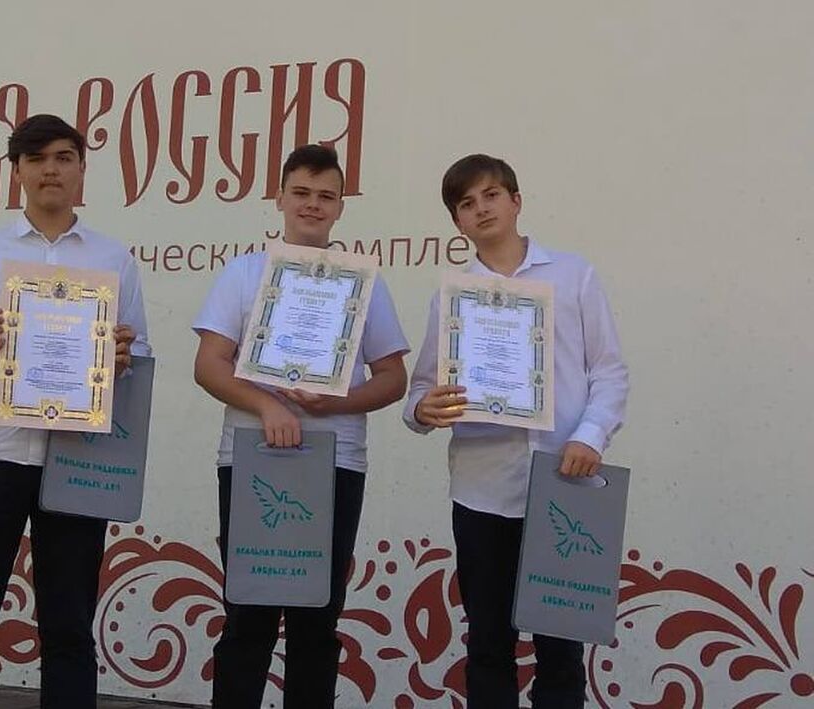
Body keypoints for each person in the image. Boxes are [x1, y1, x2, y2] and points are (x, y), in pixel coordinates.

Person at [0, 114, 150, 709]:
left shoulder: (113, 258)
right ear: (17, 170)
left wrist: (123, 356)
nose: (52, 169)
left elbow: (140, 352)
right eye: (37, 158)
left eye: (64, 157)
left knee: (70, 626)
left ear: (82, 170)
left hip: (78, 461)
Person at [404, 154, 628, 708]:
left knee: (561, 648)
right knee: (487, 644)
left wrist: (590, 435)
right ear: (457, 221)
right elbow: (421, 391)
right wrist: (423, 411)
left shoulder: (573, 275)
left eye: (491, 196)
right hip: (481, 490)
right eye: (467, 203)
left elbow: (609, 372)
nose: (481, 209)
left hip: (563, 482)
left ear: (516, 201)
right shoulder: (453, 296)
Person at [192, 144, 409, 708]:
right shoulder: (244, 272)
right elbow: (209, 364)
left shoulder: (363, 282)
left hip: (336, 461)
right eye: (302, 193)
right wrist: (268, 407)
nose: (313, 205)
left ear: (340, 207)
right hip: (252, 456)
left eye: (326, 196)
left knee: (317, 619)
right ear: (280, 198)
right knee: (248, 615)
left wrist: (336, 404)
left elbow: (393, 377)